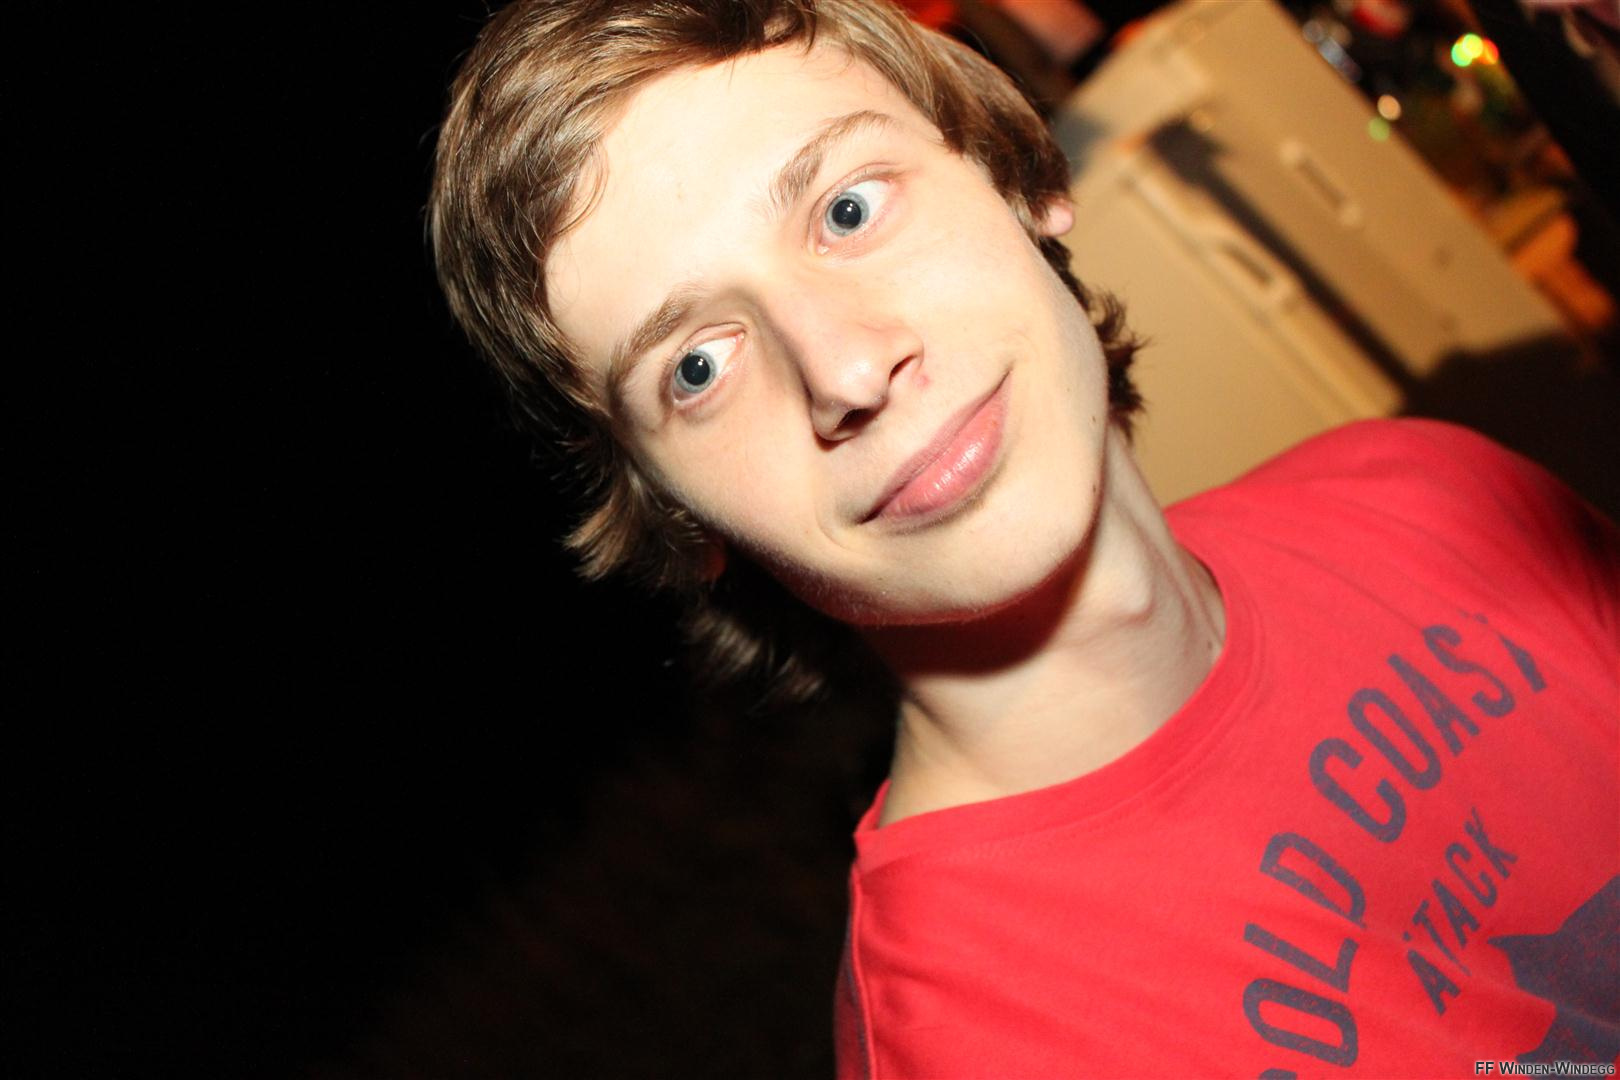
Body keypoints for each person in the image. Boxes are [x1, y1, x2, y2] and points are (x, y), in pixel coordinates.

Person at [429, 0, 1620, 1074]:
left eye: (848, 208)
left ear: (1018, 177)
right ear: (682, 520)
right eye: (696, 367)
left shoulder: (1438, 494)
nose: (845, 369)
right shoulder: (973, 1043)